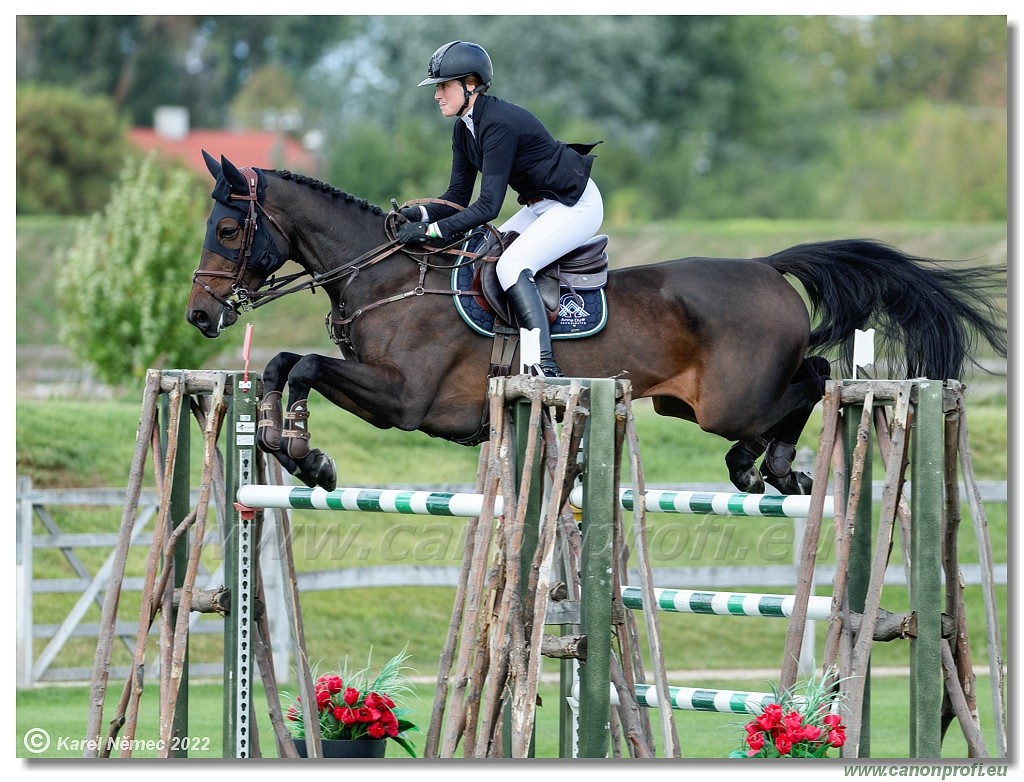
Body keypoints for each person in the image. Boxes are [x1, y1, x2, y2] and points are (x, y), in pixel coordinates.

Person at [396, 40, 604, 377]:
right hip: (541, 207)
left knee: (511, 265)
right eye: (438, 87)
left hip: (575, 204)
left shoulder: (497, 123)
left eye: (444, 86)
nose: (437, 95)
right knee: (484, 253)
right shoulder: (464, 129)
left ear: (471, 85)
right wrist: (418, 215)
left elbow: (489, 205)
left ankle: (542, 365)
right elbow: (457, 196)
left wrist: (433, 231)